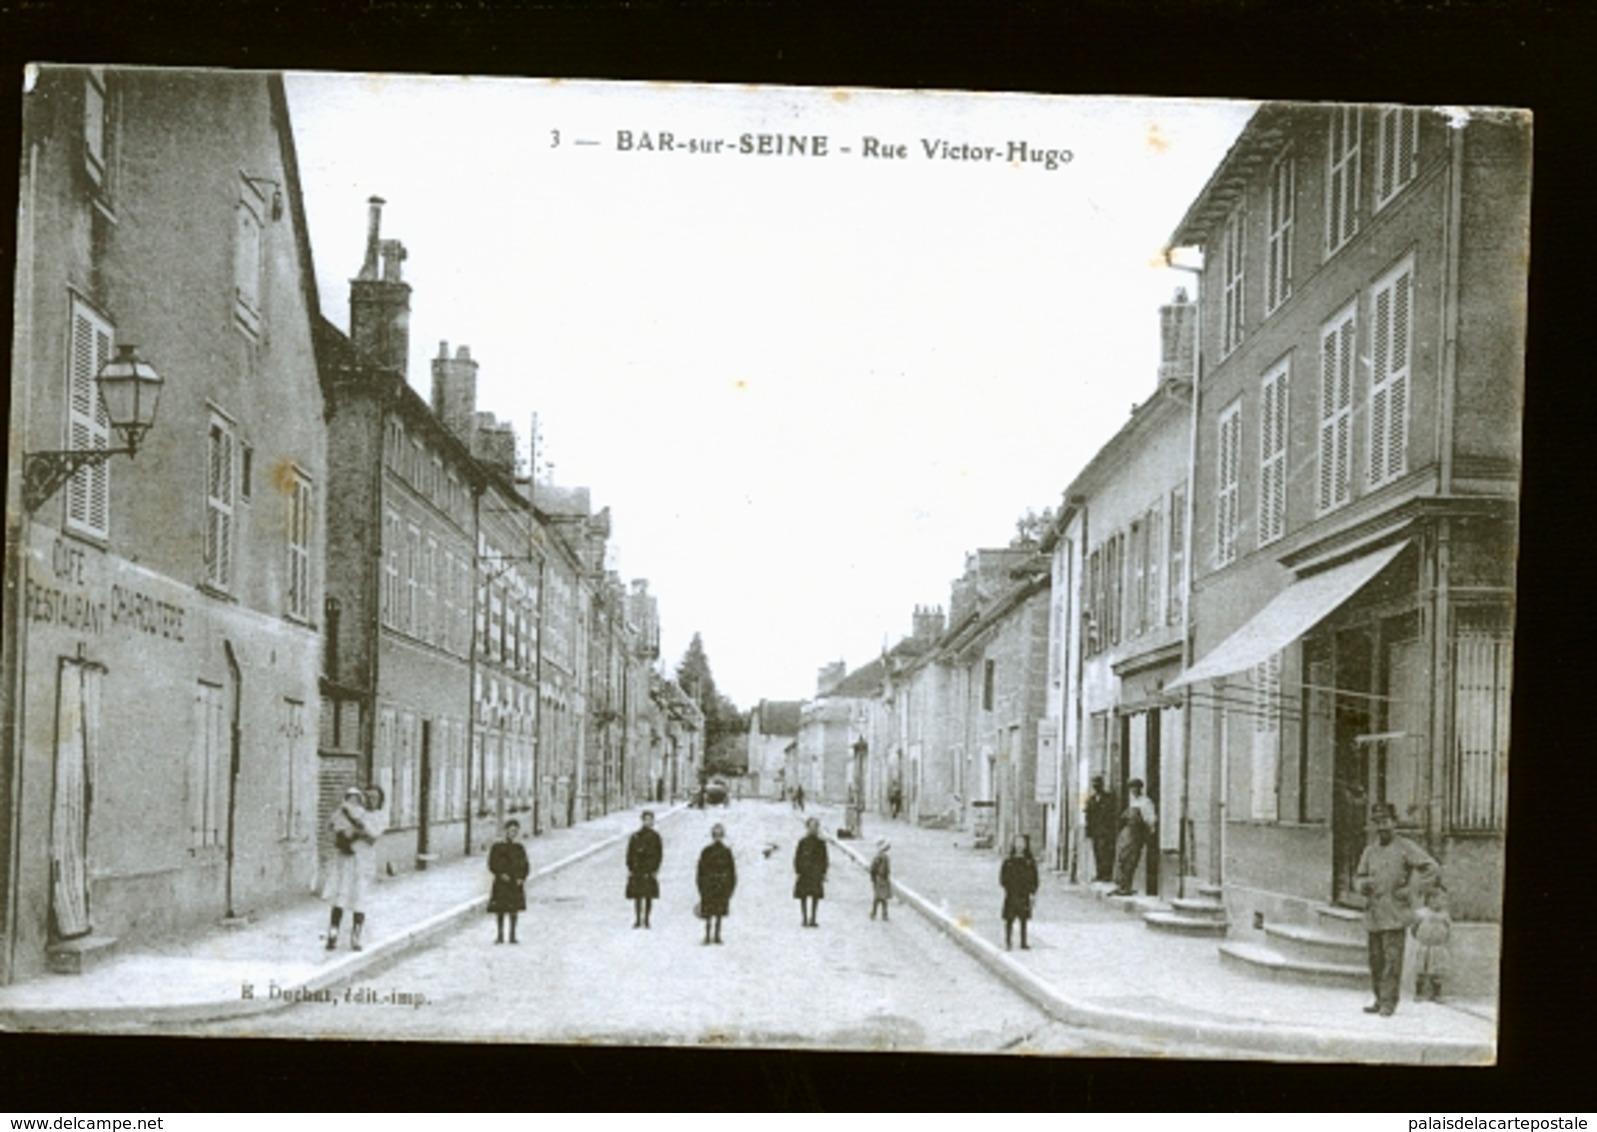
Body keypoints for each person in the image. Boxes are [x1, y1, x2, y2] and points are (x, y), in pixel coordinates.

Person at [1354, 802, 1440, 1016]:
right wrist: (1361, 885)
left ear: (1394, 822)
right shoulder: (1370, 850)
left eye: (1385, 821)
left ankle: (1388, 1003)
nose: (1381, 827)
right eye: (1377, 822)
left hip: (1395, 913)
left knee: (1392, 961)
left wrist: (1412, 890)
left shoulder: (1405, 846)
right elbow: (1358, 876)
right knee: (1376, 961)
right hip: (1373, 913)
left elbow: (1431, 867)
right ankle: (1378, 999)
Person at [323, 784, 383, 951]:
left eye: (374, 798)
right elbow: (333, 826)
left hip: (364, 864)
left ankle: (356, 938)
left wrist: (357, 825)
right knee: (340, 896)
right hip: (346, 860)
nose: (371, 800)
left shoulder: (378, 817)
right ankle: (332, 934)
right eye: (368, 797)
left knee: (360, 899)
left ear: (379, 800)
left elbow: (372, 837)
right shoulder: (354, 812)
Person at [1111, 778, 1157, 896]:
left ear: (1140, 788)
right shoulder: (1133, 802)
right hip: (1127, 833)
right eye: (1131, 788)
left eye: (1135, 788)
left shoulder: (1146, 802)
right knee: (1121, 857)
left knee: (1131, 859)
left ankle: (1127, 886)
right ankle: (1121, 885)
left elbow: (1151, 820)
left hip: (1136, 834)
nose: (1133, 790)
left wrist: (1149, 832)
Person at [487, 819, 530, 944]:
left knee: (513, 910)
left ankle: (512, 936)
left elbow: (525, 864)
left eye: (515, 831)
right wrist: (500, 874)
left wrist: (522, 878)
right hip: (501, 882)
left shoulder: (519, 847)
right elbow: (492, 863)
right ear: (505, 831)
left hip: (515, 882)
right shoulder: (497, 847)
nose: (513, 833)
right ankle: (500, 935)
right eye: (511, 831)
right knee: (500, 909)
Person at [1411, 884, 1453, 1003]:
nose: (1442, 902)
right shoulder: (1421, 913)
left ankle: (1436, 993)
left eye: (1444, 899)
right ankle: (1418, 992)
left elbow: (1449, 928)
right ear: (1430, 899)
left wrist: (1444, 939)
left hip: (1438, 947)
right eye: (1440, 898)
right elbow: (1414, 928)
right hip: (1423, 946)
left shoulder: (1444, 915)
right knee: (1420, 970)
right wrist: (1420, 938)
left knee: (1437, 971)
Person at [695, 823, 736, 945]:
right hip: (709, 884)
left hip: (721, 885)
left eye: (720, 835)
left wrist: (730, 887)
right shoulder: (706, 852)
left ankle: (717, 935)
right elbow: (701, 869)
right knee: (708, 912)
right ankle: (707, 935)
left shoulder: (727, 852)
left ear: (722, 836)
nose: (717, 837)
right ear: (712, 836)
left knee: (719, 912)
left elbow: (731, 871)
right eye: (715, 835)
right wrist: (701, 885)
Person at [1000, 834, 1040, 950]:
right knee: (1009, 918)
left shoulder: (1029, 862)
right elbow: (1003, 877)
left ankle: (1023, 942)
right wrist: (1008, 887)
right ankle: (1008, 941)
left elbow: (1034, 877)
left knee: (1023, 919)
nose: (1019, 845)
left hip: (1024, 894)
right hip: (1011, 893)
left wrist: (1032, 891)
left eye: (1022, 843)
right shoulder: (1009, 861)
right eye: (1017, 843)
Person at [626, 810, 664, 929]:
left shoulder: (655, 837)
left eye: (651, 820)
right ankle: (638, 919)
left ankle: (646, 919)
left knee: (648, 895)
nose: (649, 822)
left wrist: (656, 868)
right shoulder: (636, 836)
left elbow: (659, 854)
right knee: (637, 896)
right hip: (638, 869)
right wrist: (630, 867)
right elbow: (630, 853)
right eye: (646, 819)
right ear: (642, 821)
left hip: (649, 868)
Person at [793, 816, 830, 927]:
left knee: (815, 896)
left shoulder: (821, 843)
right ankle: (804, 918)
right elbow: (797, 857)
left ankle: (813, 918)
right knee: (803, 897)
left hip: (815, 873)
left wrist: (823, 871)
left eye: (815, 827)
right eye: (811, 827)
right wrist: (798, 870)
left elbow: (824, 858)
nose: (813, 829)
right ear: (807, 828)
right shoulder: (802, 842)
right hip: (804, 873)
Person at [1084, 775, 1117, 884]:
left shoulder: (1109, 798)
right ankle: (1100, 873)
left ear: (1102, 785)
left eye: (1098, 784)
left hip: (1106, 830)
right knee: (1097, 851)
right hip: (1095, 830)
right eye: (1094, 784)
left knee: (1106, 852)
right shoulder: (1091, 800)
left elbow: (1112, 814)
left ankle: (1107, 874)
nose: (1096, 786)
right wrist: (1088, 830)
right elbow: (1088, 816)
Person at [869, 838, 893, 921]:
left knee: (879, 897)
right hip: (881, 878)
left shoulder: (880, 856)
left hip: (880, 878)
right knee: (882, 897)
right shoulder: (882, 857)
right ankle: (881, 914)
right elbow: (874, 868)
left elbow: (872, 868)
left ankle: (876, 913)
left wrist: (872, 877)